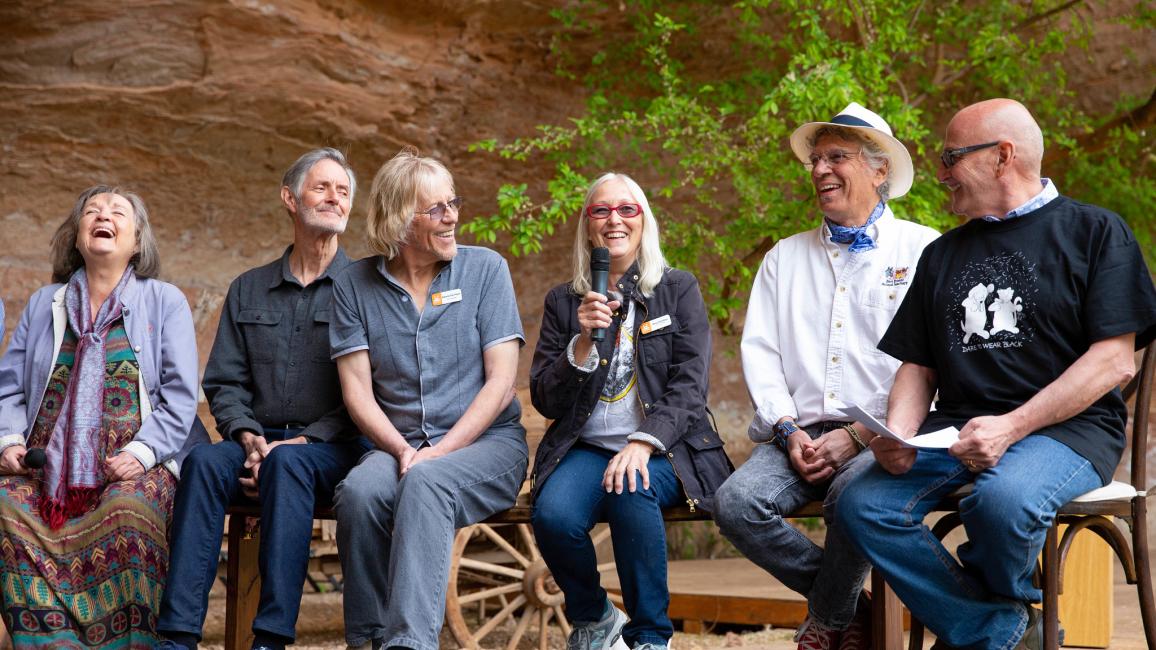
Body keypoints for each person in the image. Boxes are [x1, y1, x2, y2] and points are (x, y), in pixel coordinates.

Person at [838, 98, 1156, 649]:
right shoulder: (942, 253)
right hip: (955, 430)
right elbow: (919, 364)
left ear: (1002, 156)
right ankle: (1002, 627)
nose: (941, 175)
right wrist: (900, 434)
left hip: (1068, 431)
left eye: (951, 158)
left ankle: (984, 631)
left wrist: (1010, 427)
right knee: (860, 504)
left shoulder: (1096, 232)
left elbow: (1114, 361)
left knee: (1001, 502)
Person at [712, 102, 939, 650]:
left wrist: (860, 435)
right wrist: (789, 432)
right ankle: (843, 609)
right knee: (735, 504)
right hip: (797, 431)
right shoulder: (784, 258)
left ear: (878, 170)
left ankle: (828, 622)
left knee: (850, 498)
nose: (818, 170)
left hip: (886, 434)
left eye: (836, 157)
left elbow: (934, 366)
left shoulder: (925, 249)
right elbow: (760, 353)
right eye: (815, 160)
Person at [154, 149, 366, 650]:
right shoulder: (248, 288)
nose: (335, 197)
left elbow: (372, 387)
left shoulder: (366, 289)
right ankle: (179, 634)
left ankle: (270, 636)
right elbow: (224, 381)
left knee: (286, 468)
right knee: (204, 462)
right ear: (290, 199)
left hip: (333, 447)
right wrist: (247, 435)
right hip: (256, 439)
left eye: (343, 191)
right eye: (322, 187)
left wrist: (304, 442)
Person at [330, 147, 528, 650]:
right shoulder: (353, 285)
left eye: (453, 203)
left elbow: (502, 380)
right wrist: (401, 451)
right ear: (399, 220)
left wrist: (434, 455)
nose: (453, 217)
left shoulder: (485, 271)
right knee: (359, 493)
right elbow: (357, 392)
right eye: (436, 209)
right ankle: (369, 640)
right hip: (399, 444)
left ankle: (409, 643)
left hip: (488, 446)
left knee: (428, 482)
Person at [0, 185, 209, 648]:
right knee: (4, 502)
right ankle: (51, 641)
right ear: (77, 238)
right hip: (45, 466)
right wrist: (9, 440)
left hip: (137, 461)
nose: (104, 216)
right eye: (92, 211)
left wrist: (141, 451)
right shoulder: (43, 302)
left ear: (137, 242)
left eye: (118, 212)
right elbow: (9, 387)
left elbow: (179, 397)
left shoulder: (163, 300)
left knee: (128, 510)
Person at [529, 173, 731, 650]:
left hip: (666, 450)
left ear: (644, 221)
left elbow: (689, 387)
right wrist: (580, 344)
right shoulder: (565, 301)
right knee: (553, 515)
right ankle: (596, 618)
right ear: (587, 225)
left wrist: (642, 443)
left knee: (630, 488)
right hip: (589, 448)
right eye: (600, 211)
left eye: (626, 209)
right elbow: (545, 398)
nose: (613, 219)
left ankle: (649, 637)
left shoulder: (677, 289)